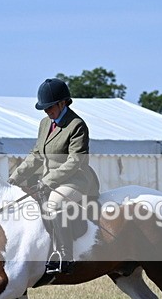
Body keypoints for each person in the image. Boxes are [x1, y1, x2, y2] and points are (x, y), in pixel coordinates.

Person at [8, 78, 99, 274]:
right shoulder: (44, 123)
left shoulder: (76, 125)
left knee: (54, 205)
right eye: (44, 108)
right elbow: (36, 156)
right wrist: (13, 179)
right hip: (50, 181)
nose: (46, 111)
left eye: (50, 107)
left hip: (76, 180)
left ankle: (65, 257)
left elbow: (75, 161)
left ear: (62, 103)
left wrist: (47, 180)